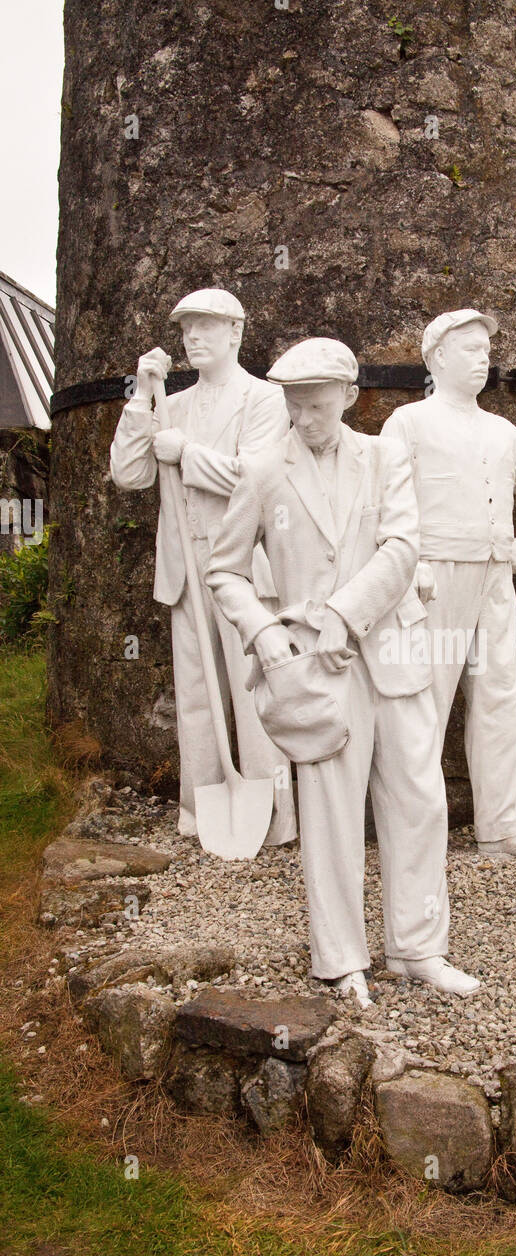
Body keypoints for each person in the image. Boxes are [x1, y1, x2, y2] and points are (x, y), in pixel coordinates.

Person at [205, 337, 480, 1006]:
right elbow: (224, 569)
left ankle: (418, 949)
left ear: (350, 397)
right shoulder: (264, 470)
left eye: (319, 407)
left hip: (393, 651)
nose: (305, 420)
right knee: (330, 813)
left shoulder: (386, 458)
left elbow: (403, 545)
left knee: (419, 800)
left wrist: (344, 612)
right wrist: (264, 629)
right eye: (295, 407)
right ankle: (340, 960)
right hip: (315, 670)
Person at [109, 287, 296, 845]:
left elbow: (256, 478)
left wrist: (185, 454)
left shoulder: (265, 399)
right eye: (187, 328)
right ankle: (201, 810)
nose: (192, 337)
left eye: (205, 327)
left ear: (236, 332)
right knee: (195, 694)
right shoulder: (173, 405)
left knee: (251, 686)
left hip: (238, 567)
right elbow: (128, 474)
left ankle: (275, 816)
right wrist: (141, 401)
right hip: (185, 568)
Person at [381, 309, 516, 861]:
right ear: (436, 356)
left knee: (501, 698)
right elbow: (385, 500)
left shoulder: (503, 430)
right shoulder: (408, 422)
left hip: (494, 576)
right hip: (435, 578)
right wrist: (410, 563)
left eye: (487, 349)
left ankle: (503, 829)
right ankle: (413, 830)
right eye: (470, 348)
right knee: (425, 700)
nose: (483, 358)